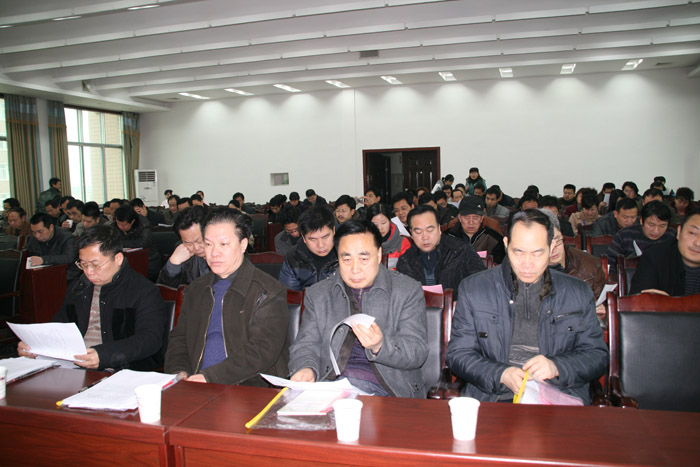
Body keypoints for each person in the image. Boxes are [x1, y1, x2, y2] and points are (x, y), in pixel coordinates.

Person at [446, 209, 608, 404]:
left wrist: (557, 367)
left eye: (537, 253)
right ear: (506, 244)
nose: (527, 264)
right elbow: (458, 354)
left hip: (559, 395)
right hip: (495, 396)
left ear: (552, 247)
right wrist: (500, 374)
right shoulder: (474, 289)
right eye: (518, 252)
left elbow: (597, 355)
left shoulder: (577, 292)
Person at [289, 220, 428, 398]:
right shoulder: (318, 294)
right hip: (329, 387)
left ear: (379, 254)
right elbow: (305, 344)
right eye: (346, 259)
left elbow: (417, 352)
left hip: (387, 391)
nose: (355, 269)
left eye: (364, 259)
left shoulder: (407, 291)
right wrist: (306, 368)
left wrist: (380, 345)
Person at [165, 207, 289, 385]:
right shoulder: (195, 290)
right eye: (208, 244)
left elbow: (262, 350)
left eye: (223, 244)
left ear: (243, 245)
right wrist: (179, 372)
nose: (214, 252)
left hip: (249, 386)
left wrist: (209, 377)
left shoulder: (268, 291)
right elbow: (179, 340)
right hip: (195, 384)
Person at [18, 225, 168, 370]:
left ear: (118, 259)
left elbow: (149, 339)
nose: (89, 272)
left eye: (95, 265)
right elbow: (59, 326)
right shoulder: (79, 287)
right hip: (72, 364)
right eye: (83, 264)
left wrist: (104, 355)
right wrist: (36, 344)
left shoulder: (143, 291)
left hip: (118, 368)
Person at [397, 205, 485, 299]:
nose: (425, 237)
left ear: (439, 229)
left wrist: (462, 302)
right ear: (411, 233)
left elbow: (481, 283)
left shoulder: (461, 251)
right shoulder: (405, 260)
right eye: (418, 232)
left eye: (430, 230)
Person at [542, 209, 606, 319]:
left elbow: (603, 306)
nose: (553, 249)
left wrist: (603, 309)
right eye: (546, 244)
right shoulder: (523, 270)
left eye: (557, 241)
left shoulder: (591, 266)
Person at [630, 210, 700, 296]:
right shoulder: (654, 258)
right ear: (679, 232)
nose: (698, 243)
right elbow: (638, 301)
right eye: (692, 233)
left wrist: (669, 302)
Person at [606, 200, 676, 276]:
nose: (656, 231)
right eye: (651, 225)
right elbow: (609, 262)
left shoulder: (672, 237)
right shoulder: (625, 235)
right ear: (641, 221)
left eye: (662, 226)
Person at [279, 205, 339, 290]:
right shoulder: (293, 257)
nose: (320, 245)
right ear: (303, 238)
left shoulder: (349, 253)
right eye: (313, 239)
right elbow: (289, 294)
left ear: (333, 230)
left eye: (325, 237)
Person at [157, 206, 210, 287]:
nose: (196, 248)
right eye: (189, 243)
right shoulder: (185, 255)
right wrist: (173, 263)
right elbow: (164, 290)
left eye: (199, 241)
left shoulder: (227, 253)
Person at [447, 196, 506, 264]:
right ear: (460, 218)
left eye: (475, 218)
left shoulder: (495, 239)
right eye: (466, 218)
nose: (471, 222)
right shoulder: (447, 237)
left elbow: (500, 266)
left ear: (482, 218)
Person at [112, 206, 161, 280]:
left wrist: (120, 243)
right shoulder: (114, 226)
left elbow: (144, 242)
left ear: (132, 221)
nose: (120, 227)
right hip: (125, 260)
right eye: (118, 224)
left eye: (124, 225)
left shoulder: (144, 224)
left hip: (148, 260)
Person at [27, 213, 79, 280]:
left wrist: (43, 260)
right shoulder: (33, 238)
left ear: (51, 227)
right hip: (42, 273)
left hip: (66, 275)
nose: (37, 236)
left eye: (40, 231)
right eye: (34, 232)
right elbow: (28, 253)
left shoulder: (66, 237)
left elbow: (69, 257)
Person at [367, 203, 411, 269]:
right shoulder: (365, 242)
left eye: (383, 223)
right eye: (375, 225)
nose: (380, 228)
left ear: (390, 221)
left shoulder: (403, 242)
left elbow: (408, 270)